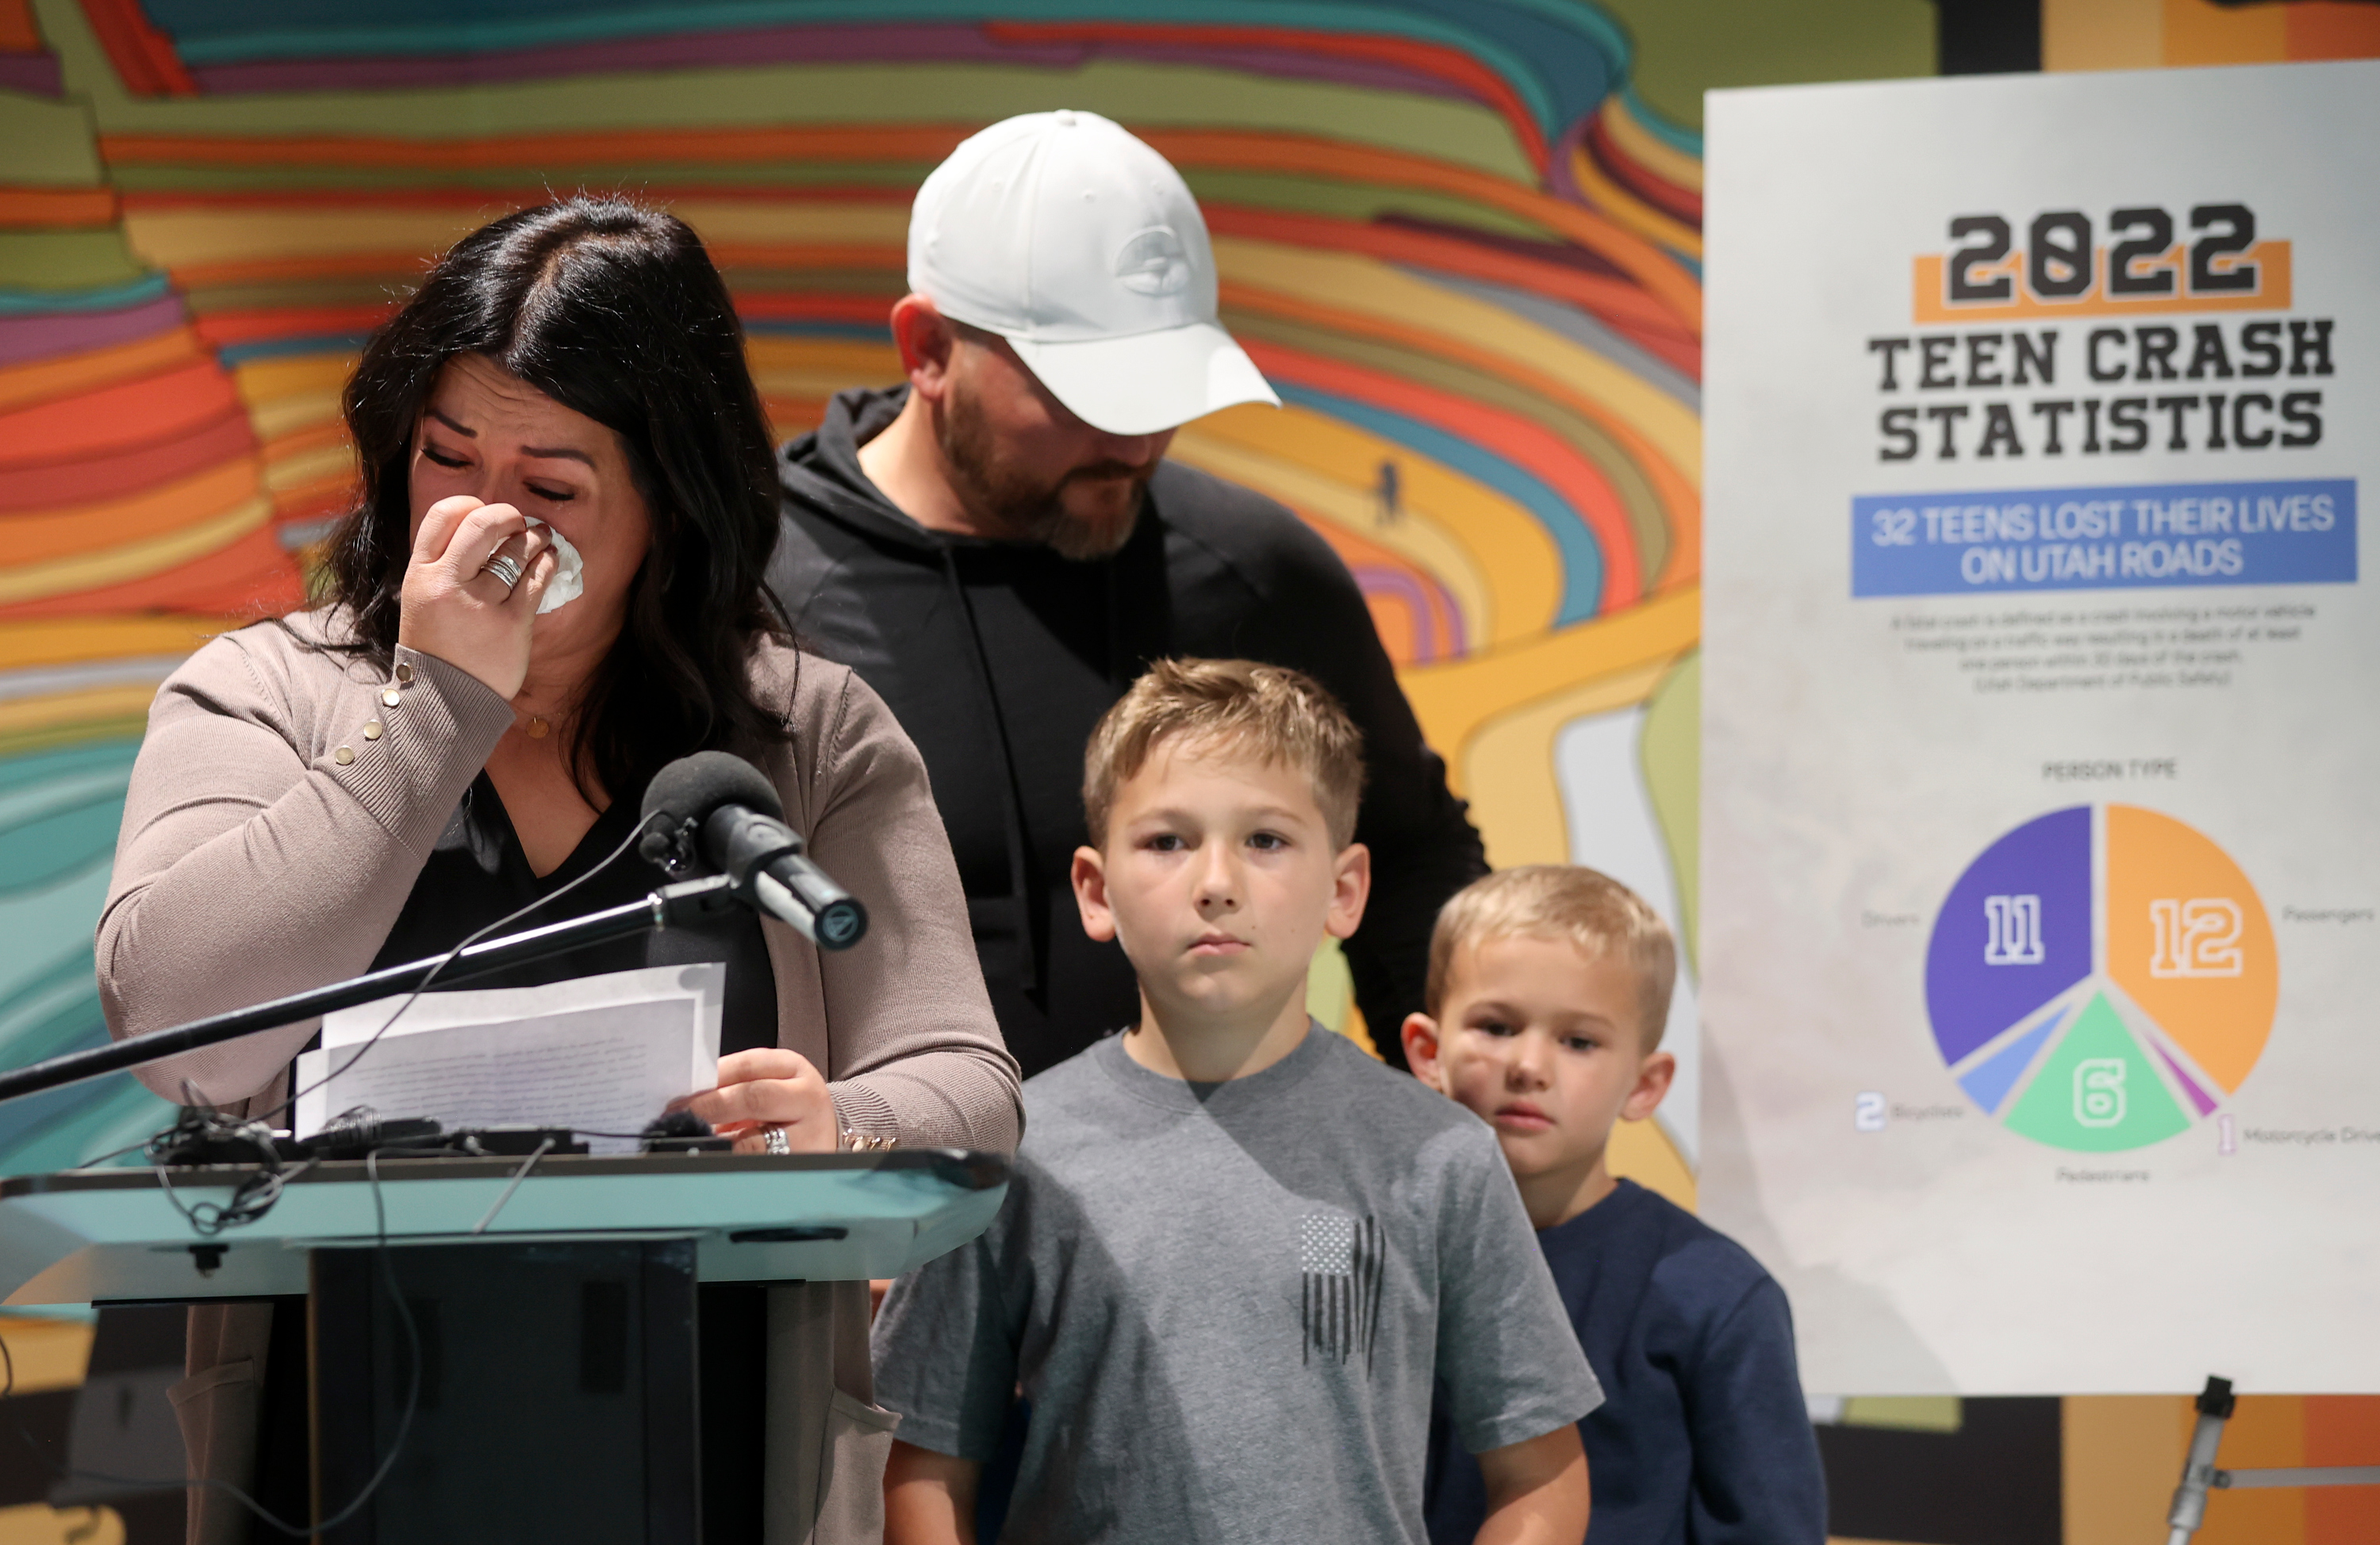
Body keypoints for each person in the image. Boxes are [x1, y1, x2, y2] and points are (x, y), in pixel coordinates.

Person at [96, 197, 1020, 1545]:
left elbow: (968, 1083)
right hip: (334, 1449)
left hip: (718, 1441)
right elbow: (177, 1030)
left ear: (670, 502)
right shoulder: (268, 692)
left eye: (550, 488)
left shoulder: (810, 733)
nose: (482, 522)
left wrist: (843, 1124)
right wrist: (439, 705)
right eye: (444, 459)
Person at [769, 109, 1486, 1079]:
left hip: (1210, 1210)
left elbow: (1408, 852)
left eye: (1163, 391)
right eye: (1087, 396)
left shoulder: (1252, 571)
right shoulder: (748, 581)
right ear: (930, 348)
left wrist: (1453, 1107)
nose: (1137, 442)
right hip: (862, 1214)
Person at [869, 658, 1599, 1544]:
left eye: (1267, 840)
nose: (1216, 882)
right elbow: (924, 1463)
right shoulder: (1014, 1152)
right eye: (1168, 841)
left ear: (1345, 889)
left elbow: (1541, 1472)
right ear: (1097, 892)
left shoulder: (1437, 1153)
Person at [1402, 867, 1828, 1545]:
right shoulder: (1377, 1260)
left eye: (1579, 1041)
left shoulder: (1717, 1299)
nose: (1529, 1066)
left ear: (1645, 1084)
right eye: (1496, 1026)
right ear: (1428, 1052)